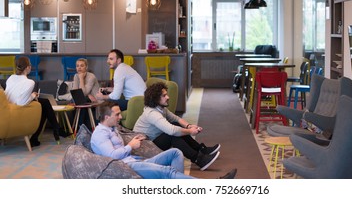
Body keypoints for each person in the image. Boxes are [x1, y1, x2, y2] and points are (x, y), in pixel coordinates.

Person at [91, 101, 236, 179]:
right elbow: (112, 156)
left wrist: (133, 139)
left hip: (135, 160)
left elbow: (175, 121)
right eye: (117, 115)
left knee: (176, 152)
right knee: (168, 171)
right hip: (126, 166)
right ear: (106, 117)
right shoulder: (99, 134)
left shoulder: (112, 128)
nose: (121, 117)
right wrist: (130, 145)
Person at [133, 82, 220, 171]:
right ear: (155, 99)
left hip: (153, 140)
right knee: (172, 135)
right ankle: (199, 159)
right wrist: (190, 131)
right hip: (145, 147)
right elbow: (172, 131)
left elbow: (176, 118)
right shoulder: (152, 113)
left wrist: (189, 126)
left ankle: (200, 150)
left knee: (176, 126)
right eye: (164, 95)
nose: (168, 97)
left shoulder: (160, 108)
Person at [5, 56, 70, 147]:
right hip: (18, 112)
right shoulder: (30, 82)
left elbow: (14, 95)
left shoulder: (11, 78)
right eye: (30, 65)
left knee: (44, 102)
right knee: (44, 105)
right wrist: (32, 96)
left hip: (8, 110)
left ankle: (52, 131)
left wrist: (31, 96)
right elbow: (21, 102)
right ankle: (56, 130)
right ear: (28, 67)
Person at [72, 58, 100, 128]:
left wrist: (81, 78)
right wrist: (88, 95)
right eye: (77, 66)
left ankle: (79, 128)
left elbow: (83, 93)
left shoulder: (91, 77)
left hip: (95, 100)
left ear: (86, 67)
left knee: (81, 100)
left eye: (82, 66)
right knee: (77, 100)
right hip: (86, 98)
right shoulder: (76, 76)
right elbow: (75, 93)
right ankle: (76, 127)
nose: (79, 68)